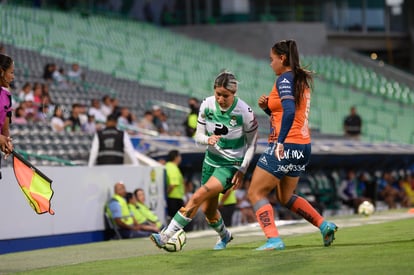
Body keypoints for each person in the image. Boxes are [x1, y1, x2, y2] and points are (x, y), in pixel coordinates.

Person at [150, 70, 258, 250]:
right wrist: (207, 139)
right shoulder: (206, 105)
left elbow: (252, 144)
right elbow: (197, 135)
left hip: (230, 164)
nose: (221, 99)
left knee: (199, 194)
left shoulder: (245, 112)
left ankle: (165, 235)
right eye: (218, 94)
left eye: (225, 95)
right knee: (209, 211)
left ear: (234, 93)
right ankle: (225, 236)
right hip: (210, 162)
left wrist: (243, 169)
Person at [247, 40, 337, 251]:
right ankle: (324, 225)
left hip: (287, 144)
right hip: (303, 146)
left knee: (255, 193)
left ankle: (273, 239)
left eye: (272, 59)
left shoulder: (284, 79)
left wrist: (279, 142)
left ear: (282, 58)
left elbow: (288, 112)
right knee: (285, 197)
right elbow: (288, 113)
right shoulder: (300, 81)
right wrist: (268, 109)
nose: (270, 64)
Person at [0, 54, 15, 158]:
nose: (13, 77)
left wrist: (7, 142)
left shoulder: (7, 96)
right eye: (11, 72)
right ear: (1, 71)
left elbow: (5, 129)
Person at [164, 150, 185, 220]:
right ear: (176, 157)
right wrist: (165, 195)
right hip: (175, 198)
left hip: (174, 197)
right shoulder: (173, 168)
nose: (181, 158)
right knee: (179, 219)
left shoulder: (168, 166)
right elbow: (172, 185)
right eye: (180, 156)